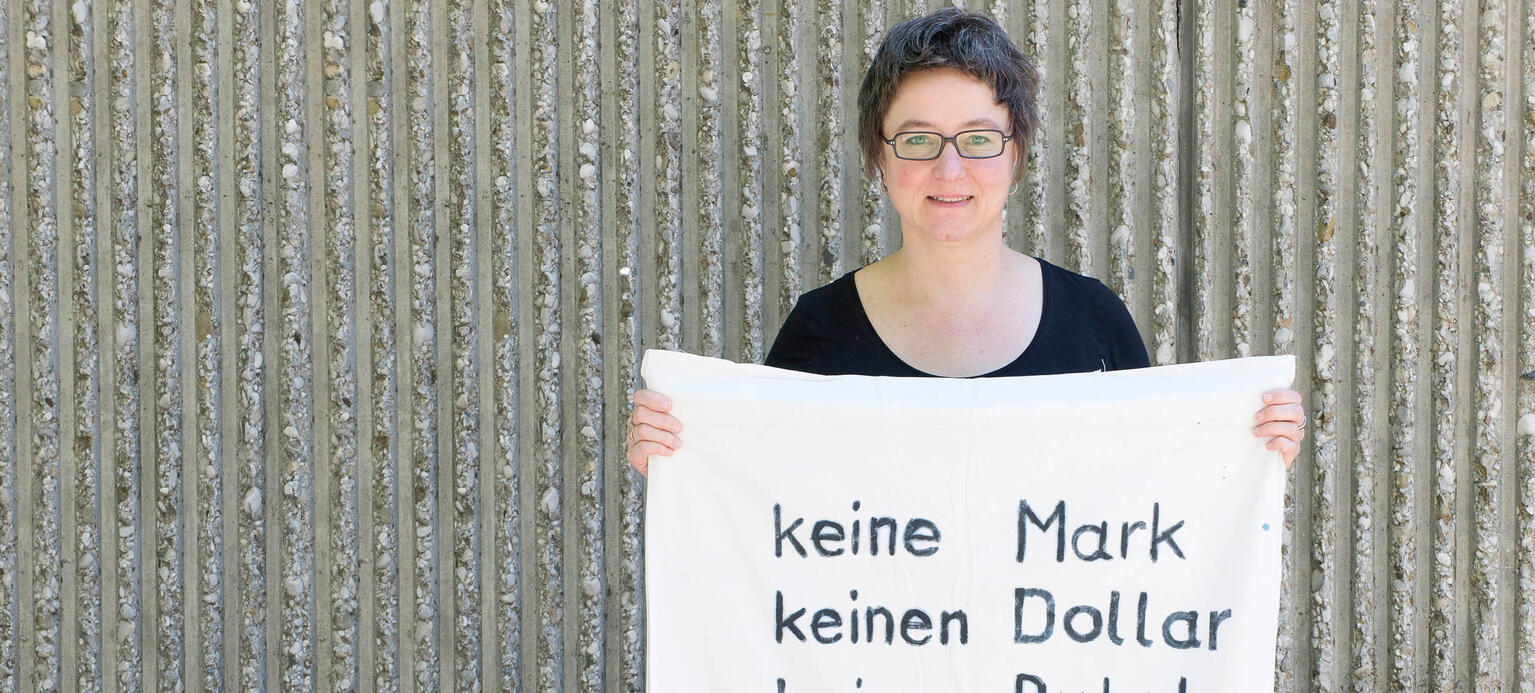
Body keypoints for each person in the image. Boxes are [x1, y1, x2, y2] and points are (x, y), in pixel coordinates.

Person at [625, 7, 1305, 475]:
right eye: (917, 139)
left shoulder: (1094, 323)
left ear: (1016, 155)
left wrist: (1241, 451)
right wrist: (688, 464)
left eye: (978, 139)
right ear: (879, 156)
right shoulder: (819, 332)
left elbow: (1156, 505)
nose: (949, 170)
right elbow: (765, 517)